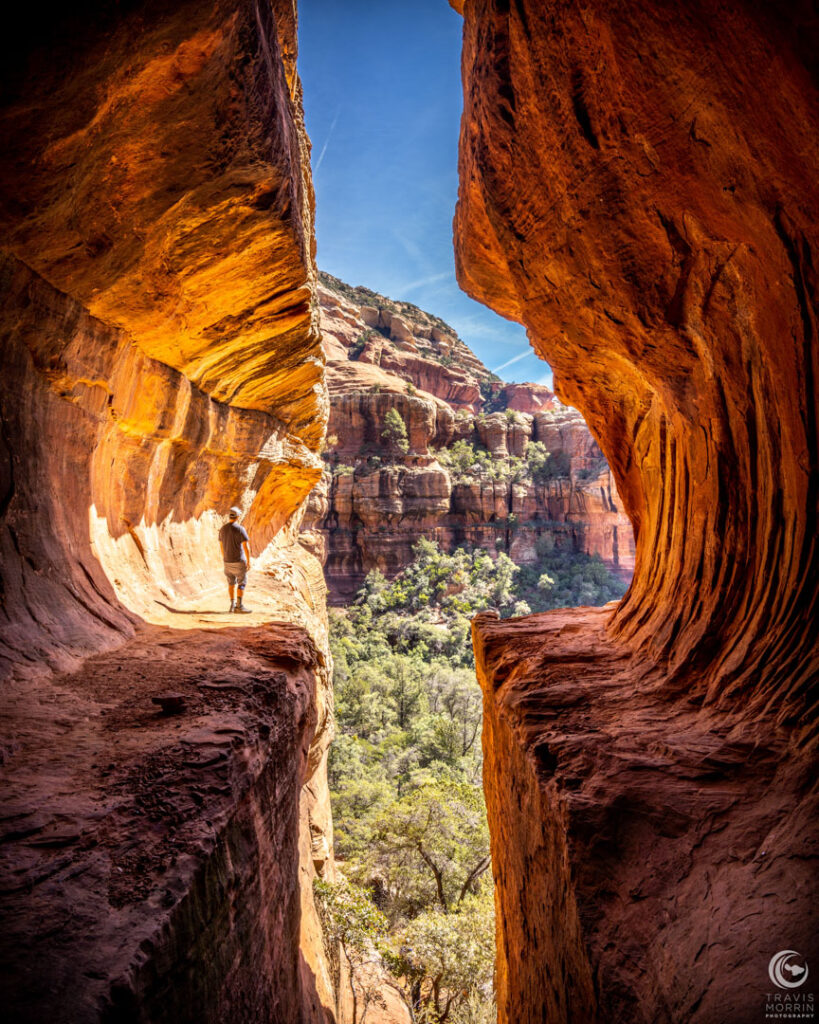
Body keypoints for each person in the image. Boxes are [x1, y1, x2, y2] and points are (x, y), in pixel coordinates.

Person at [219, 506, 251, 613]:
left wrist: (225, 558)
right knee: (242, 583)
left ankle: (232, 605)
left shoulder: (223, 529)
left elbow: (221, 546)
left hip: (227, 561)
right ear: (237, 516)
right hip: (239, 561)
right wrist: (248, 561)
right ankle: (239, 606)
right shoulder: (240, 529)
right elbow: (246, 547)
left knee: (231, 583)